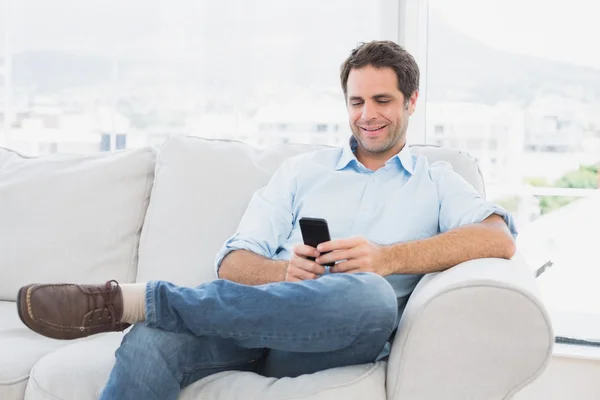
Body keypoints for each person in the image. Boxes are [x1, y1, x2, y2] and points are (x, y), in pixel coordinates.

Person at [17, 40, 517, 400]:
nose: (367, 114)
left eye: (382, 100)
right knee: (152, 336)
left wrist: (387, 258)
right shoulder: (302, 171)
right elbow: (233, 262)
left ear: (410, 102)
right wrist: (283, 273)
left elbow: (499, 239)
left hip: (334, 336)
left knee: (368, 293)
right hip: (247, 323)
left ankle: (133, 299)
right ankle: (145, 309)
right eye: (356, 101)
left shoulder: (437, 180)